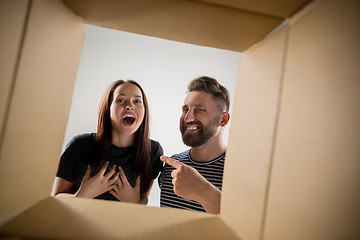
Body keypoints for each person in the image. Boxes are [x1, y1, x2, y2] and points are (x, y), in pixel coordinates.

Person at [52, 80, 163, 204]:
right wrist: (82, 195)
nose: (129, 105)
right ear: (108, 108)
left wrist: (135, 202)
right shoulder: (79, 146)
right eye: (121, 100)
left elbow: (144, 197)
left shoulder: (153, 151)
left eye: (137, 101)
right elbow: (57, 198)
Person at [159, 76, 230, 214]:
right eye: (185, 109)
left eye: (199, 110)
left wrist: (203, 191)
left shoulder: (239, 172)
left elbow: (246, 228)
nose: (187, 118)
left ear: (223, 119)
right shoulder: (171, 167)